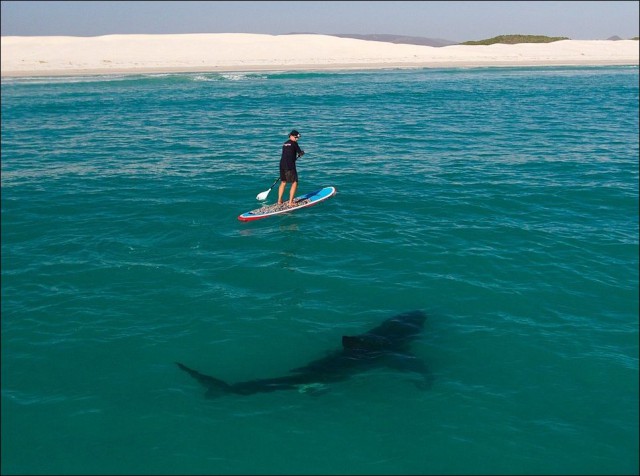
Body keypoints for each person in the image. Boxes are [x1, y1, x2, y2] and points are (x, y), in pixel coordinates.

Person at [277, 130, 305, 206]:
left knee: (283, 182)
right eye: (296, 137)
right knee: (295, 182)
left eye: (298, 138)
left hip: (281, 164)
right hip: (289, 165)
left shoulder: (285, 143)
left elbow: (288, 153)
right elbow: (300, 153)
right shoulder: (295, 144)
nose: (297, 139)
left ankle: (279, 201)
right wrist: (301, 153)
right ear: (291, 136)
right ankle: (290, 202)